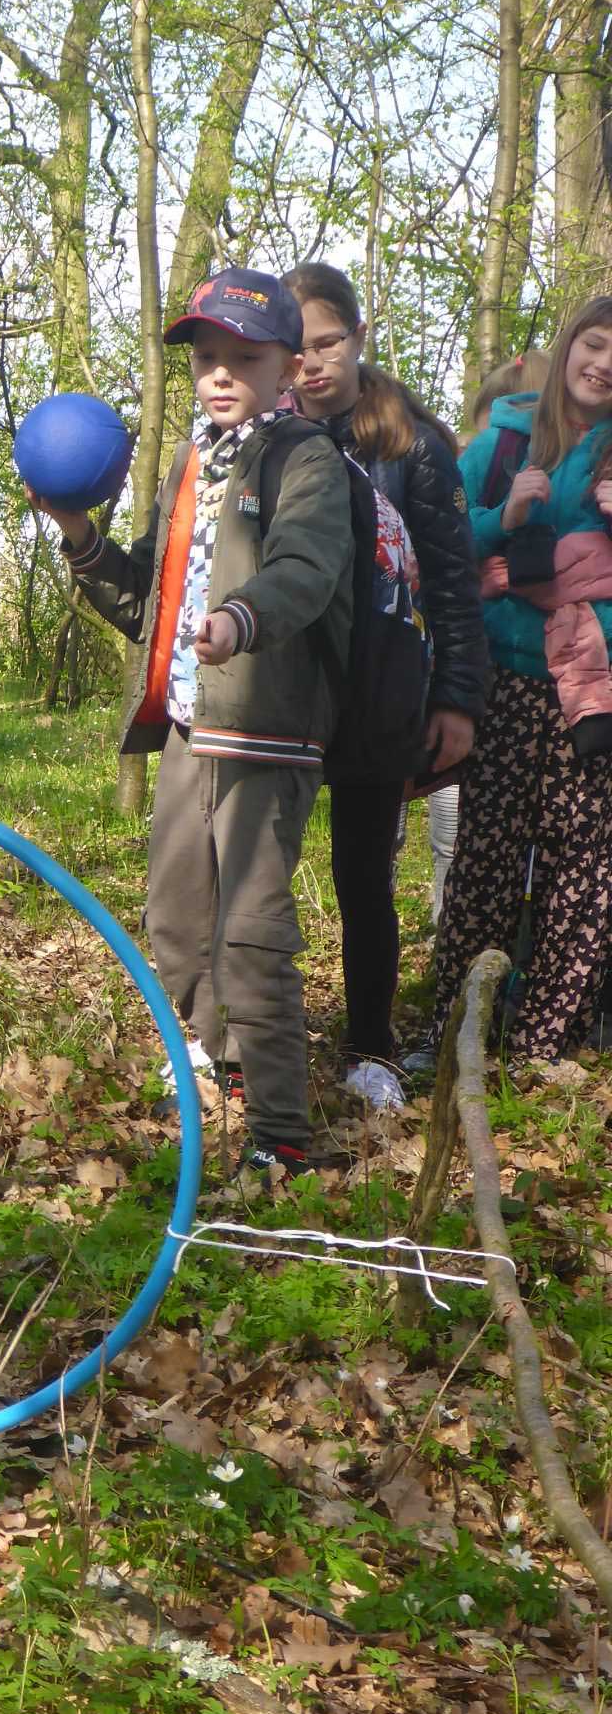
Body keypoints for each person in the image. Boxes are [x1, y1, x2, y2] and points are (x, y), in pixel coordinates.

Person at [25, 268, 354, 1177]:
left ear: (287, 366)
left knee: (250, 931)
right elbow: (151, 606)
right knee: (176, 923)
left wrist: (238, 618)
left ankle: (283, 1133)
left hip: (265, 733)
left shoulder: (307, 459)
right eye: (206, 358)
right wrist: (80, 537)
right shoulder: (190, 464)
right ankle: (221, 1071)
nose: (219, 374)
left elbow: (305, 570)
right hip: (183, 730)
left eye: (242, 359)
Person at [282, 264, 490, 1110]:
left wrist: (457, 700)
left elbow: (452, 583)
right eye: (294, 350)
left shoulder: (410, 443)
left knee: (364, 877)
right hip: (287, 694)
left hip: (381, 700)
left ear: (359, 339)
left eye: (328, 342)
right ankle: (247, 1039)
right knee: (257, 869)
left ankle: (370, 1044)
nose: (312, 364)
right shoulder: (265, 437)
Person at [421, 297, 612, 1067]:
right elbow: (438, 540)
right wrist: (504, 516)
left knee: (585, 867)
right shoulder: (501, 443)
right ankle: (454, 1032)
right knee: (485, 863)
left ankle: (545, 1043)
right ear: (568, 347)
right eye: (593, 344)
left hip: (595, 693)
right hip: (507, 681)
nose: (602, 364)